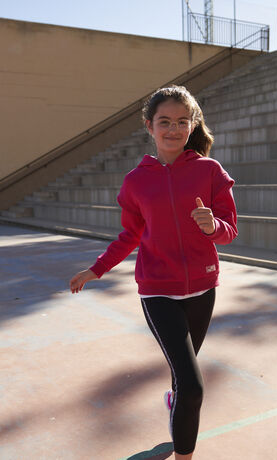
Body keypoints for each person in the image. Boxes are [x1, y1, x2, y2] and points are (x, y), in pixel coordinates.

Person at [70, 85, 238, 459]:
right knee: (193, 386)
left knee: (182, 380)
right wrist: (97, 269)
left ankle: (173, 400)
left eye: (182, 121)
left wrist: (212, 227)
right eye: (165, 121)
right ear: (149, 125)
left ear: (192, 125)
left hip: (203, 288)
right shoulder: (136, 181)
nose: (173, 129)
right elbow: (130, 235)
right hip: (158, 292)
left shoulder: (210, 172)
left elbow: (229, 232)